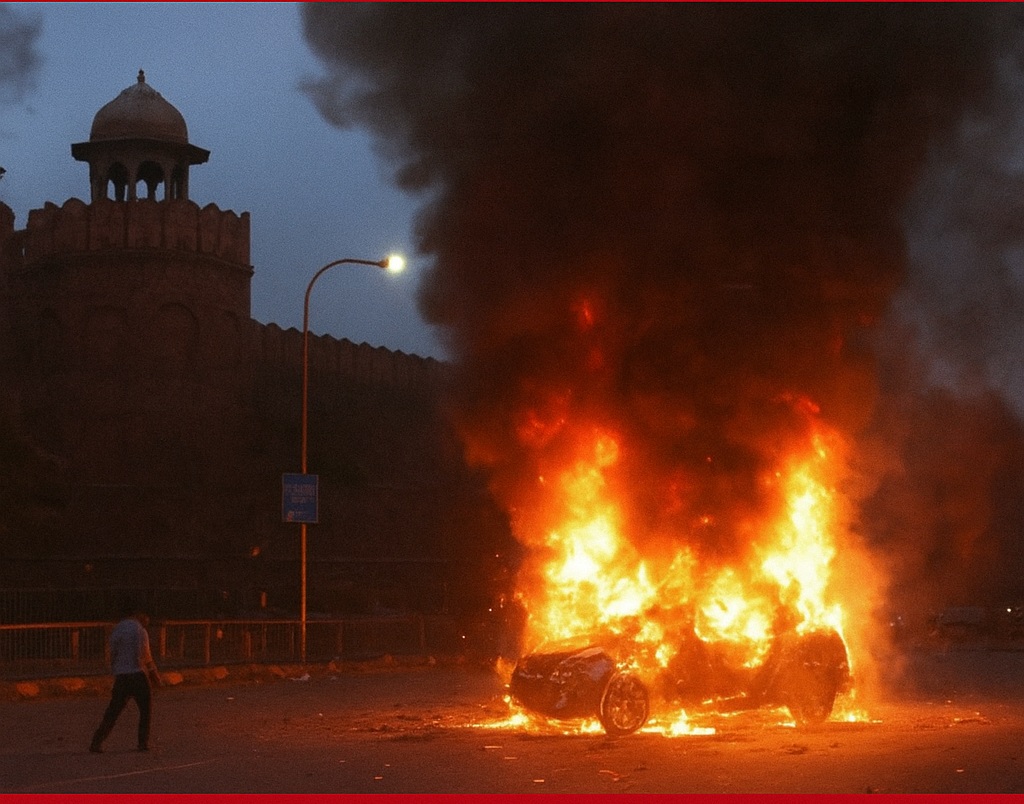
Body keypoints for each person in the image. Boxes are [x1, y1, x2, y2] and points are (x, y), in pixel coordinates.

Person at [89, 603, 162, 753]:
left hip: (121, 676)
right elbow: (146, 657)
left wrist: (116, 669)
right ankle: (142, 743)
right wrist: (155, 677)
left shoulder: (117, 629)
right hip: (138, 675)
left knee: (113, 711)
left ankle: (97, 741)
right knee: (145, 711)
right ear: (140, 615)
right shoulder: (140, 631)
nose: (148, 620)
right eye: (146, 617)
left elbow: (112, 653)